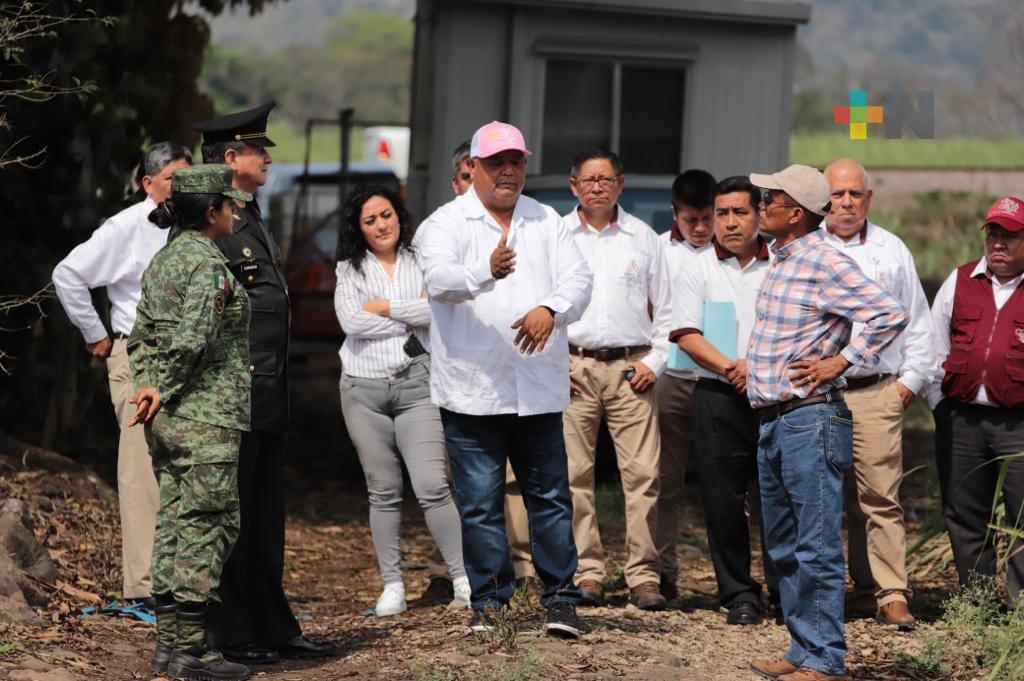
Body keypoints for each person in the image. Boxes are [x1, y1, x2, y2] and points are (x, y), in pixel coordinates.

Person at [416, 120, 593, 638]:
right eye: (497, 163)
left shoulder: (548, 220)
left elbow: (579, 280)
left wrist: (551, 308)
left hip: (536, 389)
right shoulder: (446, 223)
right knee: (480, 505)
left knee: (552, 499)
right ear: (472, 168)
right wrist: (484, 271)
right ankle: (491, 605)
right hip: (472, 391)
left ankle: (561, 599)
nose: (508, 171)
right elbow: (439, 282)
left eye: (516, 161)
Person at [745, 164, 908, 681]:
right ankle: (802, 647)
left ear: (795, 212)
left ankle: (826, 659)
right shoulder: (783, 257)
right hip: (776, 420)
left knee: (814, 543)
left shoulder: (821, 261)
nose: (761, 202)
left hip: (809, 420)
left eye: (769, 197)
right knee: (785, 543)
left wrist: (844, 360)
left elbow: (889, 312)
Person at [193, 102, 337, 664]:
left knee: (265, 515)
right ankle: (229, 632)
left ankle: (271, 624)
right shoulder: (215, 220)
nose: (268, 157)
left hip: (266, 391)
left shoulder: (249, 215)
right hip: (234, 392)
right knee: (234, 516)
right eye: (259, 149)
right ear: (231, 158)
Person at [127, 163, 254, 681]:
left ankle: (167, 644)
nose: (234, 212)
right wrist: (165, 385)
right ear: (211, 212)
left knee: (176, 523)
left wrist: (147, 388)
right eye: (229, 205)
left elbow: (137, 337)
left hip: (167, 422)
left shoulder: (163, 262)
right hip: (206, 419)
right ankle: (193, 652)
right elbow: (193, 340)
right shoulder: (208, 266)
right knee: (210, 525)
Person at [52, 142, 192, 606]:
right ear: (148, 183)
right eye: (173, 177)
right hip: (138, 354)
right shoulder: (126, 227)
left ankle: (189, 581)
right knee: (142, 470)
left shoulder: (200, 224)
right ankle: (146, 587)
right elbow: (68, 274)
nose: (182, 186)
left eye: (188, 176)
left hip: (190, 361)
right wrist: (96, 334)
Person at [333, 184, 470, 616]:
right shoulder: (348, 270)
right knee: (384, 490)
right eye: (370, 220)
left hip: (418, 385)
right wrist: (408, 313)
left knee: (432, 485)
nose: (381, 225)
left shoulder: (421, 258)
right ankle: (393, 587)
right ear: (359, 228)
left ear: (399, 215)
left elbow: (438, 312)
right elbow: (351, 321)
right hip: (362, 388)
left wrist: (384, 307)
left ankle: (464, 579)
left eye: (386, 215)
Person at [823, 158, 938, 629]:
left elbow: (919, 321)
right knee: (827, 498)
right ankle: (846, 591)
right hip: (820, 392)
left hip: (876, 391)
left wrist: (908, 385)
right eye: (837, 194)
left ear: (869, 198)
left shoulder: (892, 250)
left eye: (855, 194)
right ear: (823, 199)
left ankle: (891, 593)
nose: (847, 202)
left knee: (880, 497)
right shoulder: (808, 248)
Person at [562, 147, 673, 611]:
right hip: (573, 367)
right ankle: (586, 572)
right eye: (589, 180)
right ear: (575, 187)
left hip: (633, 369)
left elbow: (667, 312)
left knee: (644, 475)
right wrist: (551, 364)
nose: (598, 187)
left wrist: (656, 361)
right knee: (572, 475)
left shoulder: (644, 239)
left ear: (620, 185)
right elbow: (541, 304)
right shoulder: (558, 236)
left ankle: (644, 577)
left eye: (606, 180)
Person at [669, 176, 777, 625]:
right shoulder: (698, 267)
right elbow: (686, 334)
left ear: (759, 216)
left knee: (779, 498)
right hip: (718, 393)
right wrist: (731, 368)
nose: (729, 223)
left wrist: (756, 369)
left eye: (740, 212)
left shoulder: (783, 262)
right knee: (723, 499)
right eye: (722, 214)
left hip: (776, 396)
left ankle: (786, 591)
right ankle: (739, 594)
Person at [925, 196, 1024, 605]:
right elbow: (932, 347)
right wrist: (939, 406)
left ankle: (1021, 608)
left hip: (1019, 424)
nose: (998, 244)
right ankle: (979, 605)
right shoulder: (961, 280)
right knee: (965, 515)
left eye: (1010, 237)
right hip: (961, 419)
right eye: (993, 235)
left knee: (1022, 517)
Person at [654, 168, 716, 601]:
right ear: (674, 214)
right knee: (662, 481)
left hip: (722, 379)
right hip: (671, 378)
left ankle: (736, 579)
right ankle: (661, 571)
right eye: (689, 219)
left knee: (729, 482)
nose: (699, 228)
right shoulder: (656, 251)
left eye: (706, 218)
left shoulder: (732, 252)